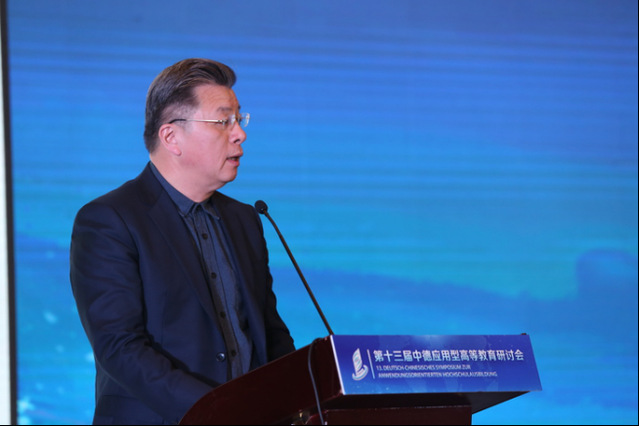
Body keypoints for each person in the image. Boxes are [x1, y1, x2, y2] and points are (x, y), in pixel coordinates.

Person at [70, 58, 296, 425]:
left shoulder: (244, 219)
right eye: (224, 121)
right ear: (171, 137)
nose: (240, 134)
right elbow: (120, 348)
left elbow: (268, 334)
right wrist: (219, 412)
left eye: (240, 119)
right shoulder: (110, 220)